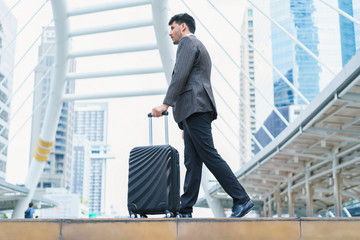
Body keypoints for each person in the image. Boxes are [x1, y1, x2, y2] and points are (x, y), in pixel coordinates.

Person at [152, 13, 254, 218]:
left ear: (183, 27)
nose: (169, 33)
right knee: (192, 161)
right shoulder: (196, 45)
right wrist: (185, 125)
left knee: (208, 154)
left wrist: (165, 104)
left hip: (195, 108)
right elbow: (192, 78)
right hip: (193, 111)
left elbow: (180, 75)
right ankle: (185, 208)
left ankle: (241, 199)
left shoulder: (188, 43)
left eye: (172, 28)